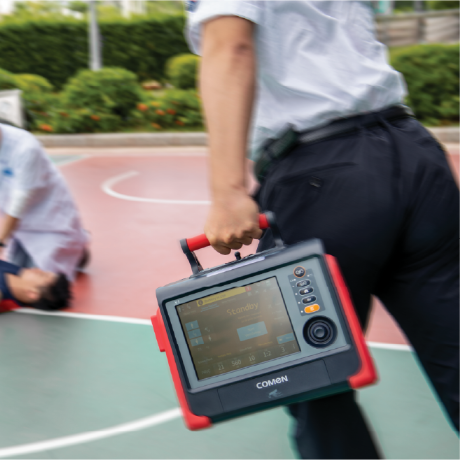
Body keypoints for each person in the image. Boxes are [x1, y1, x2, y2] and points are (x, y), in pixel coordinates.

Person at [188, 2, 460, 459]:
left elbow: (230, 44)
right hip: (412, 149)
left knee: (312, 381)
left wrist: (228, 189)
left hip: (323, 173)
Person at [0, 104, 90, 281]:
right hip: (19, 221)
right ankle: (71, 248)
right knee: (16, 272)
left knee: (44, 280)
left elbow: (19, 202)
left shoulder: (25, 148)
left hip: (47, 213)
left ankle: (77, 248)